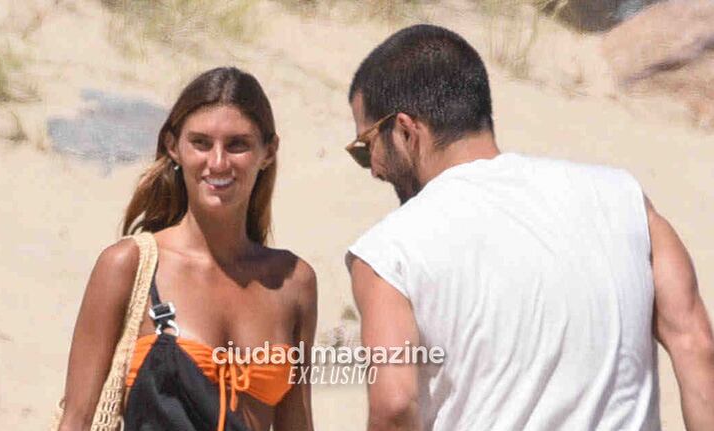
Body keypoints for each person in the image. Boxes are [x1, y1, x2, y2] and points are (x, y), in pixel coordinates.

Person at [344, 24, 714, 431]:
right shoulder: (625, 200)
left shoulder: (387, 252)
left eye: (366, 146)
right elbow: (695, 344)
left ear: (406, 131)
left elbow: (395, 404)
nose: (374, 168)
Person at [58, 67, 317, 431]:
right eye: (201, 143)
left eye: (238, 144)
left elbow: (298, 423)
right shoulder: (130, 265)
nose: (218, 162)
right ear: (172, 146)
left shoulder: (293, 281)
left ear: (268, 152)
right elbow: (76, 419)